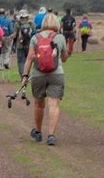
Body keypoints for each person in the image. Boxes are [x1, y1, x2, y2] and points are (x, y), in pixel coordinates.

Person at [21, 13, 69, 146]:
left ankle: (38, 132)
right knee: (53, 105)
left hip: (38, 74)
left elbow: (30, 58)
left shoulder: (35, 38)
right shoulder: (60, 37)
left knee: (39, 104)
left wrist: (25, 75)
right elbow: (64, 58)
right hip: (56, 74)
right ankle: (51, 135)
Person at [12, 10, 35, 77]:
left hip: (20, 45)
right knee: (29, 60)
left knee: (21, 61)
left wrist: (11, 36)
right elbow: (34, 33)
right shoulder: (31, 24)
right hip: (30, 45)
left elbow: (15, 34)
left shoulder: (17, 24)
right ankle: (28, 74)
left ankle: (23, 74)